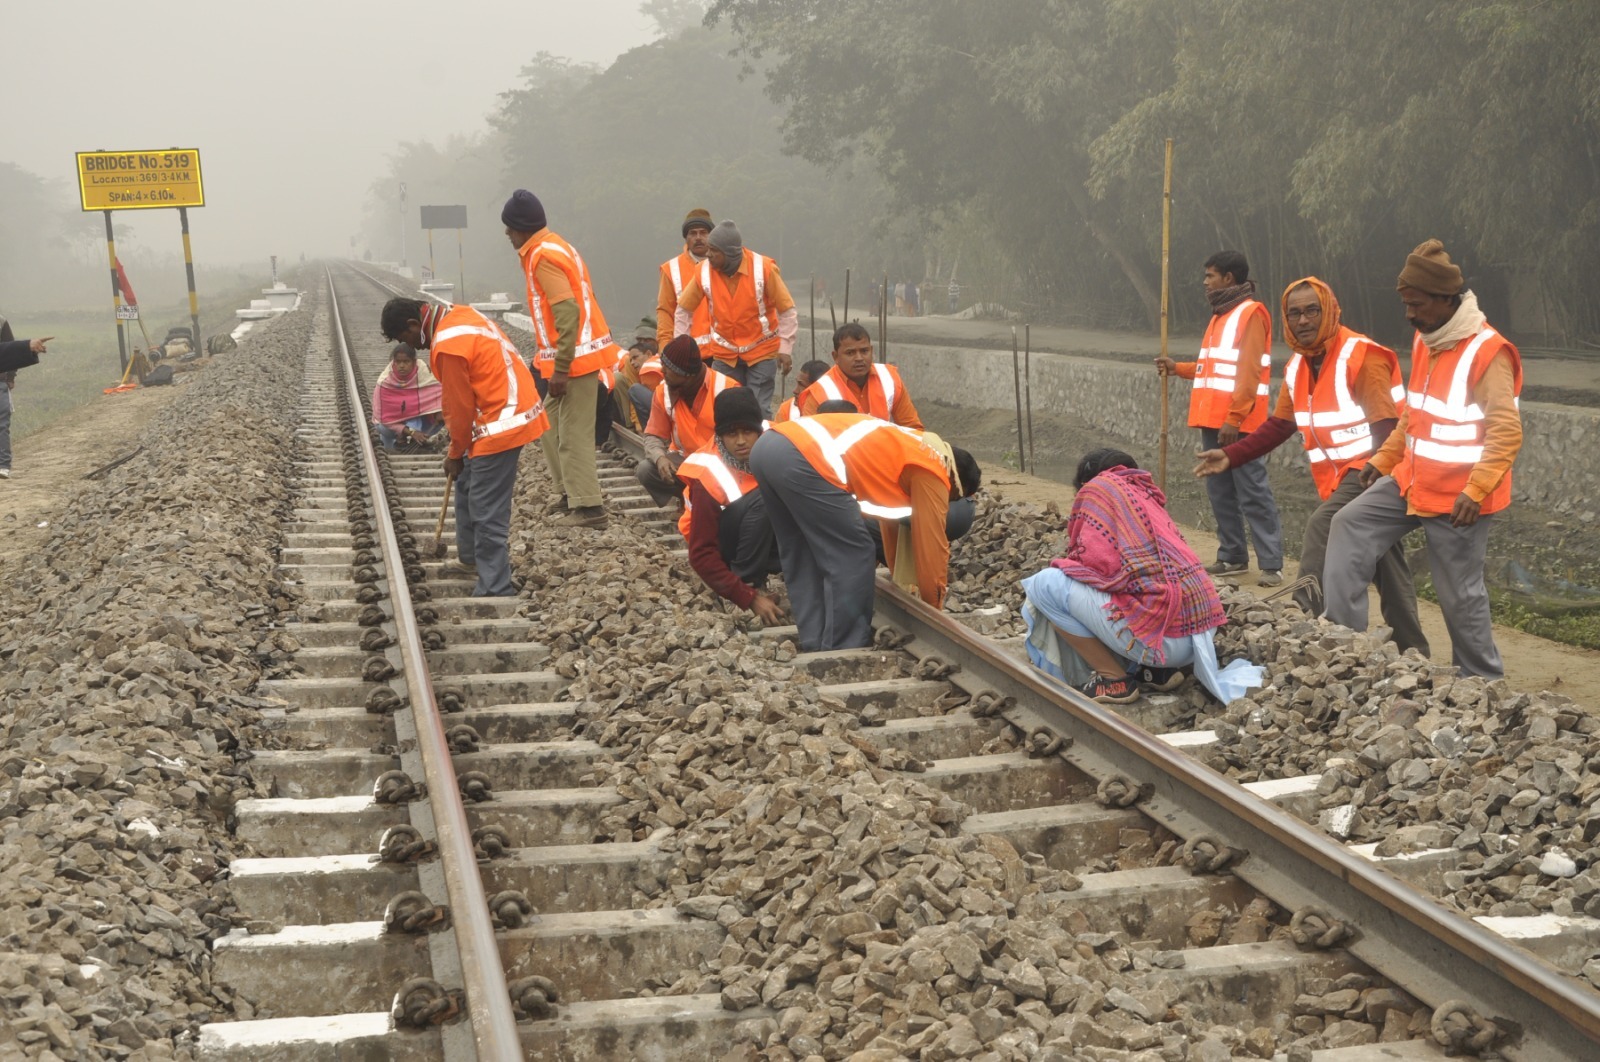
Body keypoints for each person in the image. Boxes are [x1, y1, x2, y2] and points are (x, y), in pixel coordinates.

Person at [1194, 277, 1429, 656]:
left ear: (1330, 310)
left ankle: (1311, 619)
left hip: (1381, 467)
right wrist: (1232, 455)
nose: (1303, 320)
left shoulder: (1360, 355)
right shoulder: (1300, 367)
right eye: (1295, 313)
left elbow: (1386, 426)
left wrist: (1374, 475)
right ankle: (1412, 650)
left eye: (1311, 311)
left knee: (1325, 524)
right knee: (1386, 558)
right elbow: (1280, 425)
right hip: (1344, 475)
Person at [1323, 240, 1523, 680]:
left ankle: (1481, 681)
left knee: (1459, 593)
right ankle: (1343, 645)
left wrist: (1476, 489)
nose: (1409, 314)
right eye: (1406, 304)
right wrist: (1383, 459)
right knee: (1349, 524)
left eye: (1416, 304)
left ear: (1446, 300)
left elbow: (1506, 432)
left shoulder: (1487, 353)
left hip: (1461, 497)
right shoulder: (1428, 338)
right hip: (1412, 480)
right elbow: (1414, 414)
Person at [1021, 448, 1264, 704]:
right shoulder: (1144, 493)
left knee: (1044, 584)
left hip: (1164, 642)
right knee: (1130, 587)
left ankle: (1114, 680)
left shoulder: (1099, 489)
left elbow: (1096, 565)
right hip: (1199, 638)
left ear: (1084, 483)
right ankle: (1155, 673)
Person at [749, 411, 981, 651]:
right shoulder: (933, 467)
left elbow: (889, 527)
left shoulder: (910, 445)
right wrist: (934, 607)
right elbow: (931, 544)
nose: (945, 500)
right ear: (955, 482)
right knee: (854, 553)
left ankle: (814, 641)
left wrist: (898, 579)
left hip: (768, 447)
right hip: (803, 458)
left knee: (801, 551)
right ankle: (843, 647)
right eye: (951, 498)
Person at [380, 297, 547, 597]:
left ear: (414, 325)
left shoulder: (447, 345)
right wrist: (459, 453)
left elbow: (458, 408)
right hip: (508, 408)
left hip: (501, 421)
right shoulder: (460, 315)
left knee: (486, 508)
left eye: (406, 338)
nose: (412, 347)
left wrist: (456, 452)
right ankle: (471, 560)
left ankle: (496, 587)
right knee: (467, 482)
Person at [1156, 250, 1284, 585]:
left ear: (1229, 278)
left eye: (1210, 276)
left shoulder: (1251, 314)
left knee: (1252, 489)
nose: (1205, 283)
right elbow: (1209, 368)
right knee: (1220, 491)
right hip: (1213, 420)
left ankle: (1271, 563)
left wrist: (1235, 418)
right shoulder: (1219, 316)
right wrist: (1178, 369)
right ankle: (1232, 556)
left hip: (1238, 424)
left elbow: (1249, 371)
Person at [503, 189, 617, 529]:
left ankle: (589, 508)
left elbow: (566, 311)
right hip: (571, 355)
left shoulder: (543, 256)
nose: (507, 234)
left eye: (509, 227)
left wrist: (562, 368)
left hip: (577, 359)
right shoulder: (553, 246)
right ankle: (570, 494)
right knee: (548, 423)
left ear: (522, 227)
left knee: (573, 433)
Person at [680, 388, 785, 625]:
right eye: (731, 434)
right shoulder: (707, 474)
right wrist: (747, 597)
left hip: (759, 533)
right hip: (721, 548)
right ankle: (747, 580)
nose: (740, 441)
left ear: (759, 430)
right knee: (764, 497)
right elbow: (700, 554)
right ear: (719, 436)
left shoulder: (778, 441)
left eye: (747, 431)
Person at [674, 220, 798, 417]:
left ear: (729, 252)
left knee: (758, 410)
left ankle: (759, 447)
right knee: (725, 407)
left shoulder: (764, 269)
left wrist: (785, 349)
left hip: (762, 350)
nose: (708, 254)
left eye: (713, 250)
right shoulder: (703, 271)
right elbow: (683, 310)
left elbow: (787, 310)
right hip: (725, 352)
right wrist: (679, 346)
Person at [636, 335, 740, 506]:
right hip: (687, 461)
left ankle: (713, 503)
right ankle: (689, 499)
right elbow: (653, 435)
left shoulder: (727, 390)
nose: (662, 371)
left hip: (722, 465)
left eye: (667, 368)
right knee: (647, 470)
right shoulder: (663, 392)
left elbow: (741, 445)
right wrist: (660, 458)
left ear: (686, 374)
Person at [798, 322, 923, 427]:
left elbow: (913, 429)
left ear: (871, 351)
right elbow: (810, 443)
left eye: (864, 351)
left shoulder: (890, 379)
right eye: (850, 353)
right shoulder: (818, 393)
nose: (859, 358)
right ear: (835, 357)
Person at [656, 209, 714, 352]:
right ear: (686, 237)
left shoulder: (724, 264)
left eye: (703, 232)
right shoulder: (671, 268)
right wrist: (665, 348)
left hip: (724, 354)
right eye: (693, 233)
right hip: (688, 354)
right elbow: (665, 311)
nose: (698, 237)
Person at [371, 344, 445, 451]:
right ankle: (400, 440)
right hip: (388, 427)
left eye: (406, 362)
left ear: (414, 362)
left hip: (419, 423)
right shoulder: (385, 383)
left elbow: (440, 394)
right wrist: (412, 432)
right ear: (394, 362)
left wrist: (439, 411)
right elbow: (383, 418)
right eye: (398, 362)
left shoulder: (424, 373)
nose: (401, 366)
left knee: (418, 414)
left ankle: (419, 440)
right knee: (388, 445)